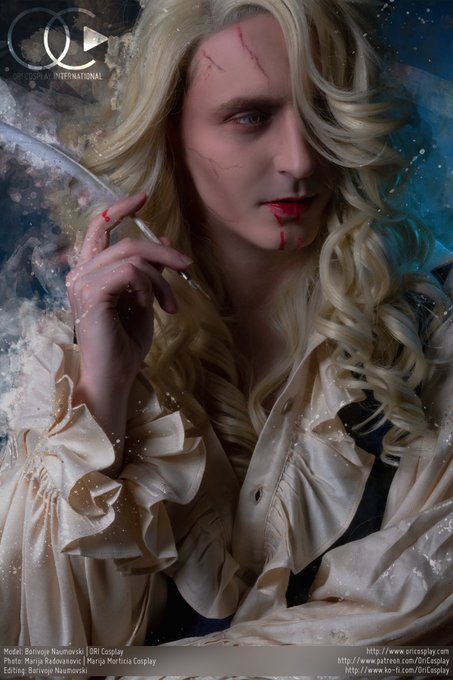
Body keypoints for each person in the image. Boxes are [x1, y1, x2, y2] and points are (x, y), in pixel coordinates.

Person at [1, 0, 452, 651]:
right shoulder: (65, 361)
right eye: (251, 117)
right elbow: (38, 645)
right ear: (169, 131)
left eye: (322, 112)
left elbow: (397, 640)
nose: (300, 159)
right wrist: (103, 396)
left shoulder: (428, 342)